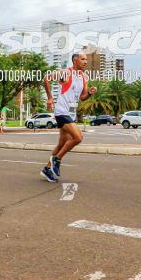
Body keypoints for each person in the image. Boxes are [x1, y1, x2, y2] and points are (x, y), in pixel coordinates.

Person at [41, 52, 97, 182]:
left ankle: (47, 169)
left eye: (86, 59)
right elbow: (46, 78)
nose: (85, 62)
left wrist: (89, 93)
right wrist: (50, 98)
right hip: (61, 111)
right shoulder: (66, 73)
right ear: (75, 61)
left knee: (62, 144)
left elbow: (82, 97)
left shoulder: (83, 77)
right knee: (78, 137)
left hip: (71, 113)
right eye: (83, 59)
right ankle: (57, 159)